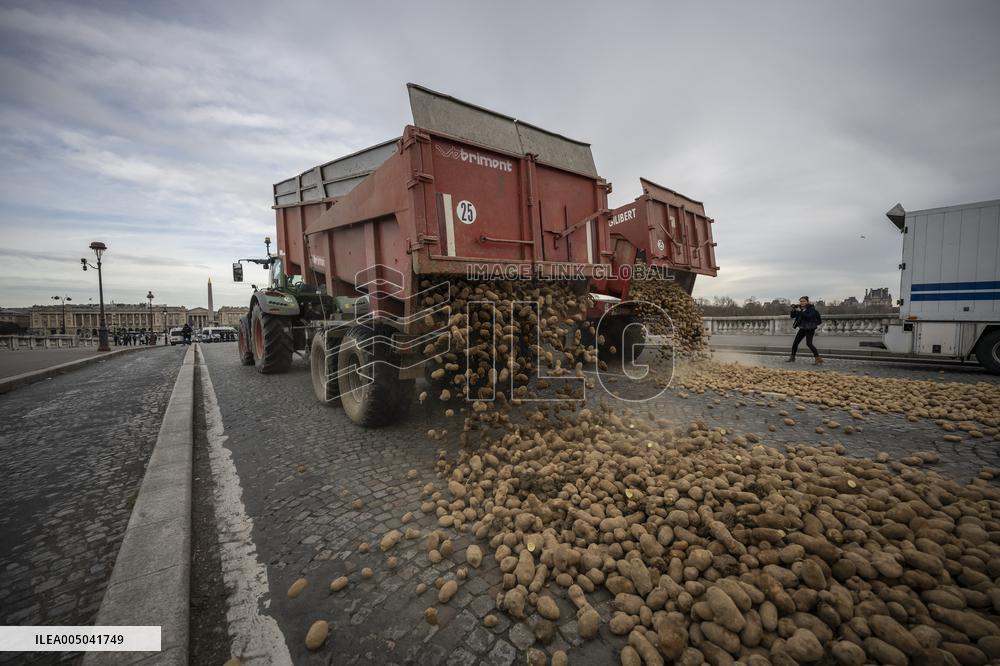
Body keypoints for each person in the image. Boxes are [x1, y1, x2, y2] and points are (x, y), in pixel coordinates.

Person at [787, 296, 823, 364]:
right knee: (795, 343)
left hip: (810, 328)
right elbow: (792, 316)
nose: (802, 302)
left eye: (803, 301)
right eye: (801, 301)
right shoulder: (800, 308)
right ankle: (792, 358)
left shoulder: (811, 309)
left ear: (807, 302)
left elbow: (808, 317)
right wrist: (794, 310)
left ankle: (818, 358)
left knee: (809, 344)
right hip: (803, 328)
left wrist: (800, 311)